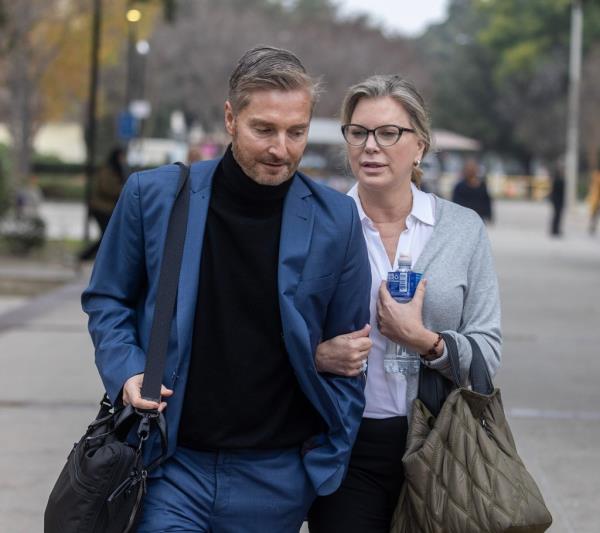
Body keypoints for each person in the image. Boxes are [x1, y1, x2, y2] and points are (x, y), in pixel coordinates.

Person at [81, 46, 371, 533]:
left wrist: (321, 462)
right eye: (265, 129)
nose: (281, 148)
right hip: (168, 464)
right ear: (231, 118)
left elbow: (351, 348)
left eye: (296, 132)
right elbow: (108, 298)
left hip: (279, 478)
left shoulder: (336, 219)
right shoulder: (152, 196)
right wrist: (128, 371)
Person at [307, 75, 502, 532]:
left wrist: (425, 341)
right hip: (346, 447)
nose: (371, 146)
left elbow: (488, 355)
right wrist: (319, 355)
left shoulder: (462, 229)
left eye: (389, 133)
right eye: (358, 132)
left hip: (444, 445)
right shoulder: (319, 226)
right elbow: (276, 336)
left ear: (420, 147)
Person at [79, 146, 127, 260]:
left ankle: (88, 257)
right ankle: (85, 256)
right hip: (101, 208)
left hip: (108, 208)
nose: (123, 160)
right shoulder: (107, 170)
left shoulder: (117, 169)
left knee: (108, 236)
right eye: (121, 157)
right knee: (107, 236)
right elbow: (107, 188)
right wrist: (123, 189)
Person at [452, 158, 493, 223]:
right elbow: (455, 203)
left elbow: (487, 202)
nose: (471, 171)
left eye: (473, 169)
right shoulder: (460, 186)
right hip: (463, 218)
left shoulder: (482, 185)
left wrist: (489, 215)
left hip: (479, 218)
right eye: (468, 169)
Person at [548, 161, 565, 237]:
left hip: (557, 200)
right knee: (557, 215)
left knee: (557, 215)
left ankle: (555, 229)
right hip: (558, 200)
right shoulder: (558, 180)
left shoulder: (556, 179)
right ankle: (555, 230)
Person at [587, 169, 600, 235]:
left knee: (594, 215)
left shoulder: (595, 176)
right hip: (596, 200)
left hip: (595, 199)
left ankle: (592, 227)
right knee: (594, 215)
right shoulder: (596, 176)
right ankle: (592, 227)